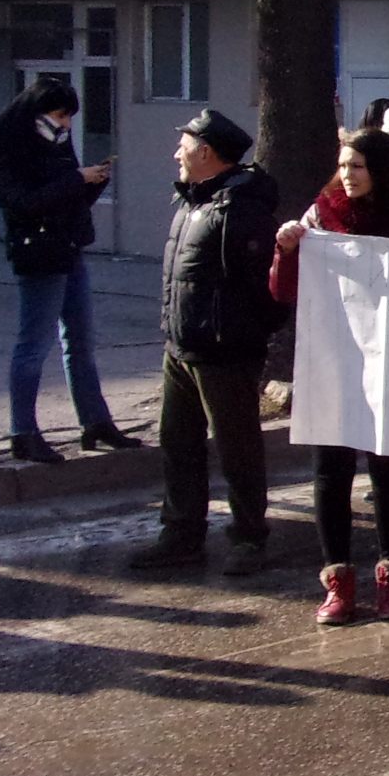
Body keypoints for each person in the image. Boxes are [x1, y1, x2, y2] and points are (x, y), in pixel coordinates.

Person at [269, 128, 389, 624]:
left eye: (358, 167)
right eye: (343, 166)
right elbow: (284, 290)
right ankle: (338, 581)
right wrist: (288, 248)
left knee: (388, 470)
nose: (347, 175)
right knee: (331, 469)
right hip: (334, 356)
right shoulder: (323, 213)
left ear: (381, 170)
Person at [129, 110, 283, 574]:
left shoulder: (239, 209)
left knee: (236, 445)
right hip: (181, 345)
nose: (176, 153)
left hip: (223, 350)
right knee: (178, 443)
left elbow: (263, 287)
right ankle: (180, 533)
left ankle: (250, 537)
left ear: (206, 152)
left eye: (184, 145)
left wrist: (243, 336)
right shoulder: (193, 201)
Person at [0, 80, 142, 463]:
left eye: (69, 118)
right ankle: (23, 431)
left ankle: (95, 422)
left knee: (80, 342)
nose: (65, 125)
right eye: (60, 116)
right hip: (38, 254)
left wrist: (91, 182)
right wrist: (76, 179)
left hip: (68, 247)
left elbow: (66, 198)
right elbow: (23, 204)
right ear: (36, 113)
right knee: (34, 345)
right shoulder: (8, 151)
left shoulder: (57, 147)